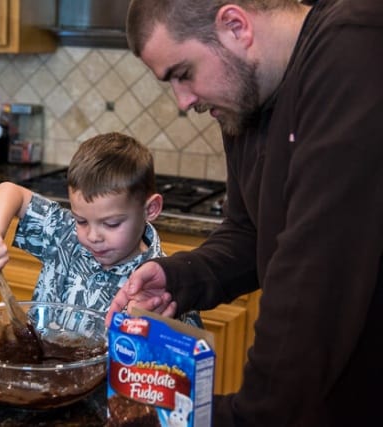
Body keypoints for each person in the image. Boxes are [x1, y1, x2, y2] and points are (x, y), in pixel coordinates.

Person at [106, 0, 383, 425]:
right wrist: (179, 278)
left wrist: (248, 414)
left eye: (183, 74)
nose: (183, 102)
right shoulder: (246, 98)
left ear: (235, 25)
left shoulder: (355, 48)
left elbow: (317, 268)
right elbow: (248, 230)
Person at [0, 132, 202, 327]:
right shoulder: (64, 233)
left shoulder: (161, 286)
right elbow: (9, 191)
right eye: (81, 220)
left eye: (111, 224)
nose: (92, 236)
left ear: (150, 209)